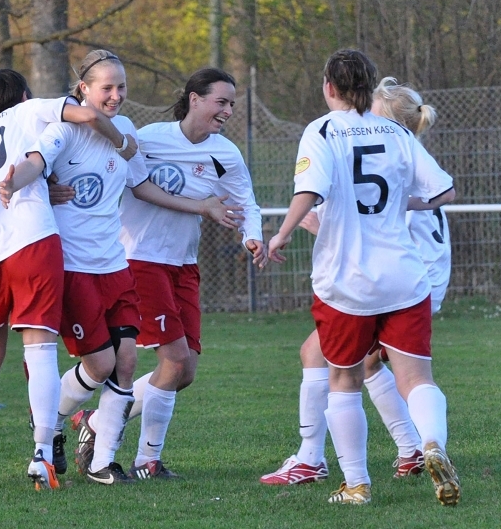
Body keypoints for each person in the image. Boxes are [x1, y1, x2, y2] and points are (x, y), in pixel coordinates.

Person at [34, 51, 244, 484]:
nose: (116, 95)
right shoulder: (58, 128)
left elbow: (142, 183)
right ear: (83, 89)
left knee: (154, 366)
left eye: (121, 87)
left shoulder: (132, 132)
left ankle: (108, 456)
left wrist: (204, 208)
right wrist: (44, 186)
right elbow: (26, 167)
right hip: (89, 264)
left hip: (121, 264)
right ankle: (49, 425)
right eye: (106, 88)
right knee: (110, 364)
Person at [267, 50, 460, 506]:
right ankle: (430, 443)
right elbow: (444, 189)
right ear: (370, 88)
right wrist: (398, 205)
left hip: (346, 281)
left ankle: (356, 484)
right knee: (416, 378)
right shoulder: (398, 132)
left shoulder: (322, 130)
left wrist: (281, 234)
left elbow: (309, 190)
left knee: (343, 380)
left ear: (329, 87)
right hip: (404, 278)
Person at [0, 68, 135, 491]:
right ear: (26, 93)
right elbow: (85, 117)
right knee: (40, 345)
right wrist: (122, 141)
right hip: (29, 239)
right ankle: (42, 455)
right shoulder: (33, 110)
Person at [111, 67, 265, 480]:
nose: (228, 111)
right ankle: (147, 460)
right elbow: (120, 178)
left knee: (185, 371)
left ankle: (97, 422)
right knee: (174, 360)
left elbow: (245, 202)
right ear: (194, 99)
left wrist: (253, 237)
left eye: (232, 104)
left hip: (184, 263)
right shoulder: (149, 139)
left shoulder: (225, 153)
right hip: (140, 258)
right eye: (221, 101)